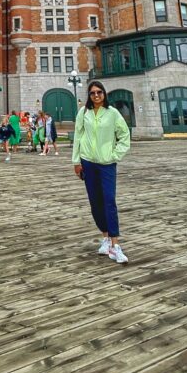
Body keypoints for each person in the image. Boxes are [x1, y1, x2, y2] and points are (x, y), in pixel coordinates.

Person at [72, 80, 131, 263]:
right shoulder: (84, 112)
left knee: (109, 201)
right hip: (88, 162)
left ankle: (115, 245)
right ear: (89, 96)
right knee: (95, 202)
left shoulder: (112, 113)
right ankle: (105, 238)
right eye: (92, 93)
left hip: (106, 163)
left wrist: (114, 155)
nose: (96, 95)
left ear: (104, 94)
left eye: (99, 92)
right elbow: (78, 135)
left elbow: (124, 136)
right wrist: (76, 161)